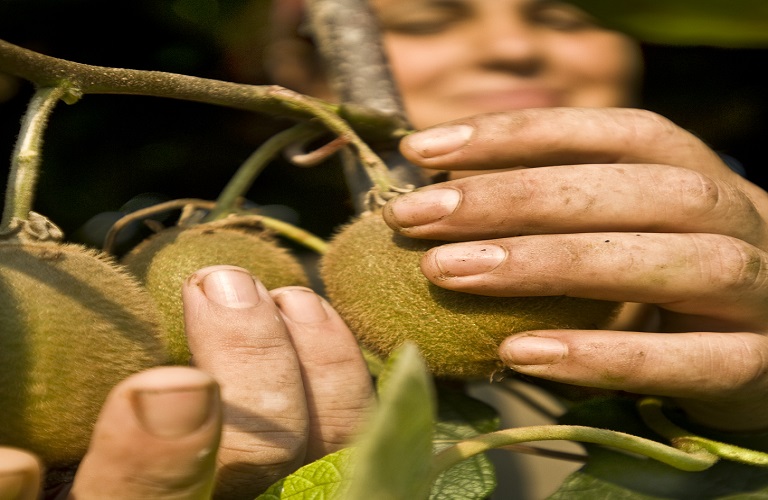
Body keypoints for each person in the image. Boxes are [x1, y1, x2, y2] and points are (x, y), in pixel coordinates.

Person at [3, 0, 768, 497]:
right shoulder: (162, 252)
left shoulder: (739, 230)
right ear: (284, 73)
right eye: (428, 18)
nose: (512, 48)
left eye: (565, 14)